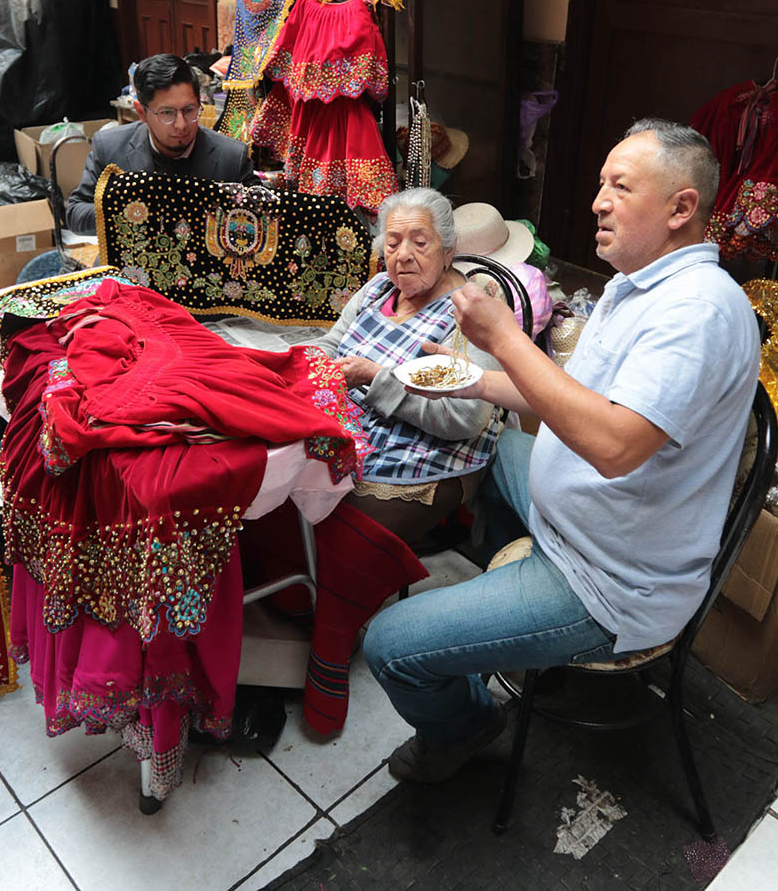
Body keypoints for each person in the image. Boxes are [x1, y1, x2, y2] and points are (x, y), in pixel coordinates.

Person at [364, 119, 760, 783]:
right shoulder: (639, 283)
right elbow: (574, 397)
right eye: (601, 184)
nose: (597, 201)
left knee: (389, 644)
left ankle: (467, 727)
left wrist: (503, 336)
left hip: (606, 577)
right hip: (580, 515)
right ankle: (505, 606)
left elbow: (613, 445)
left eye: (620, 187)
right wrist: (473, 380)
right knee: (493, 443)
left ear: (680, 208)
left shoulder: (697, 312)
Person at [307, 187, 536, 547]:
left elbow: (465, 419)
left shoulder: (471, 311)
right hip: (350, 429)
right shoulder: (377, 289)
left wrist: (375, 377)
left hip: (424, 448)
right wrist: (313, 363)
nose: (403, 255)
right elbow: (331, 343)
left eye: (420, 242)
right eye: (393, 243)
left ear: (448, 251)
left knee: (332, 530)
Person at [65, 53, 256, 235]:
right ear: (142, 113)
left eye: (189, 110)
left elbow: (261, 217)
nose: (181, 124)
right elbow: (75, 213)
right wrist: (127, 210)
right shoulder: (110, 148)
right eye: (167, 113)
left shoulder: (232, 157)